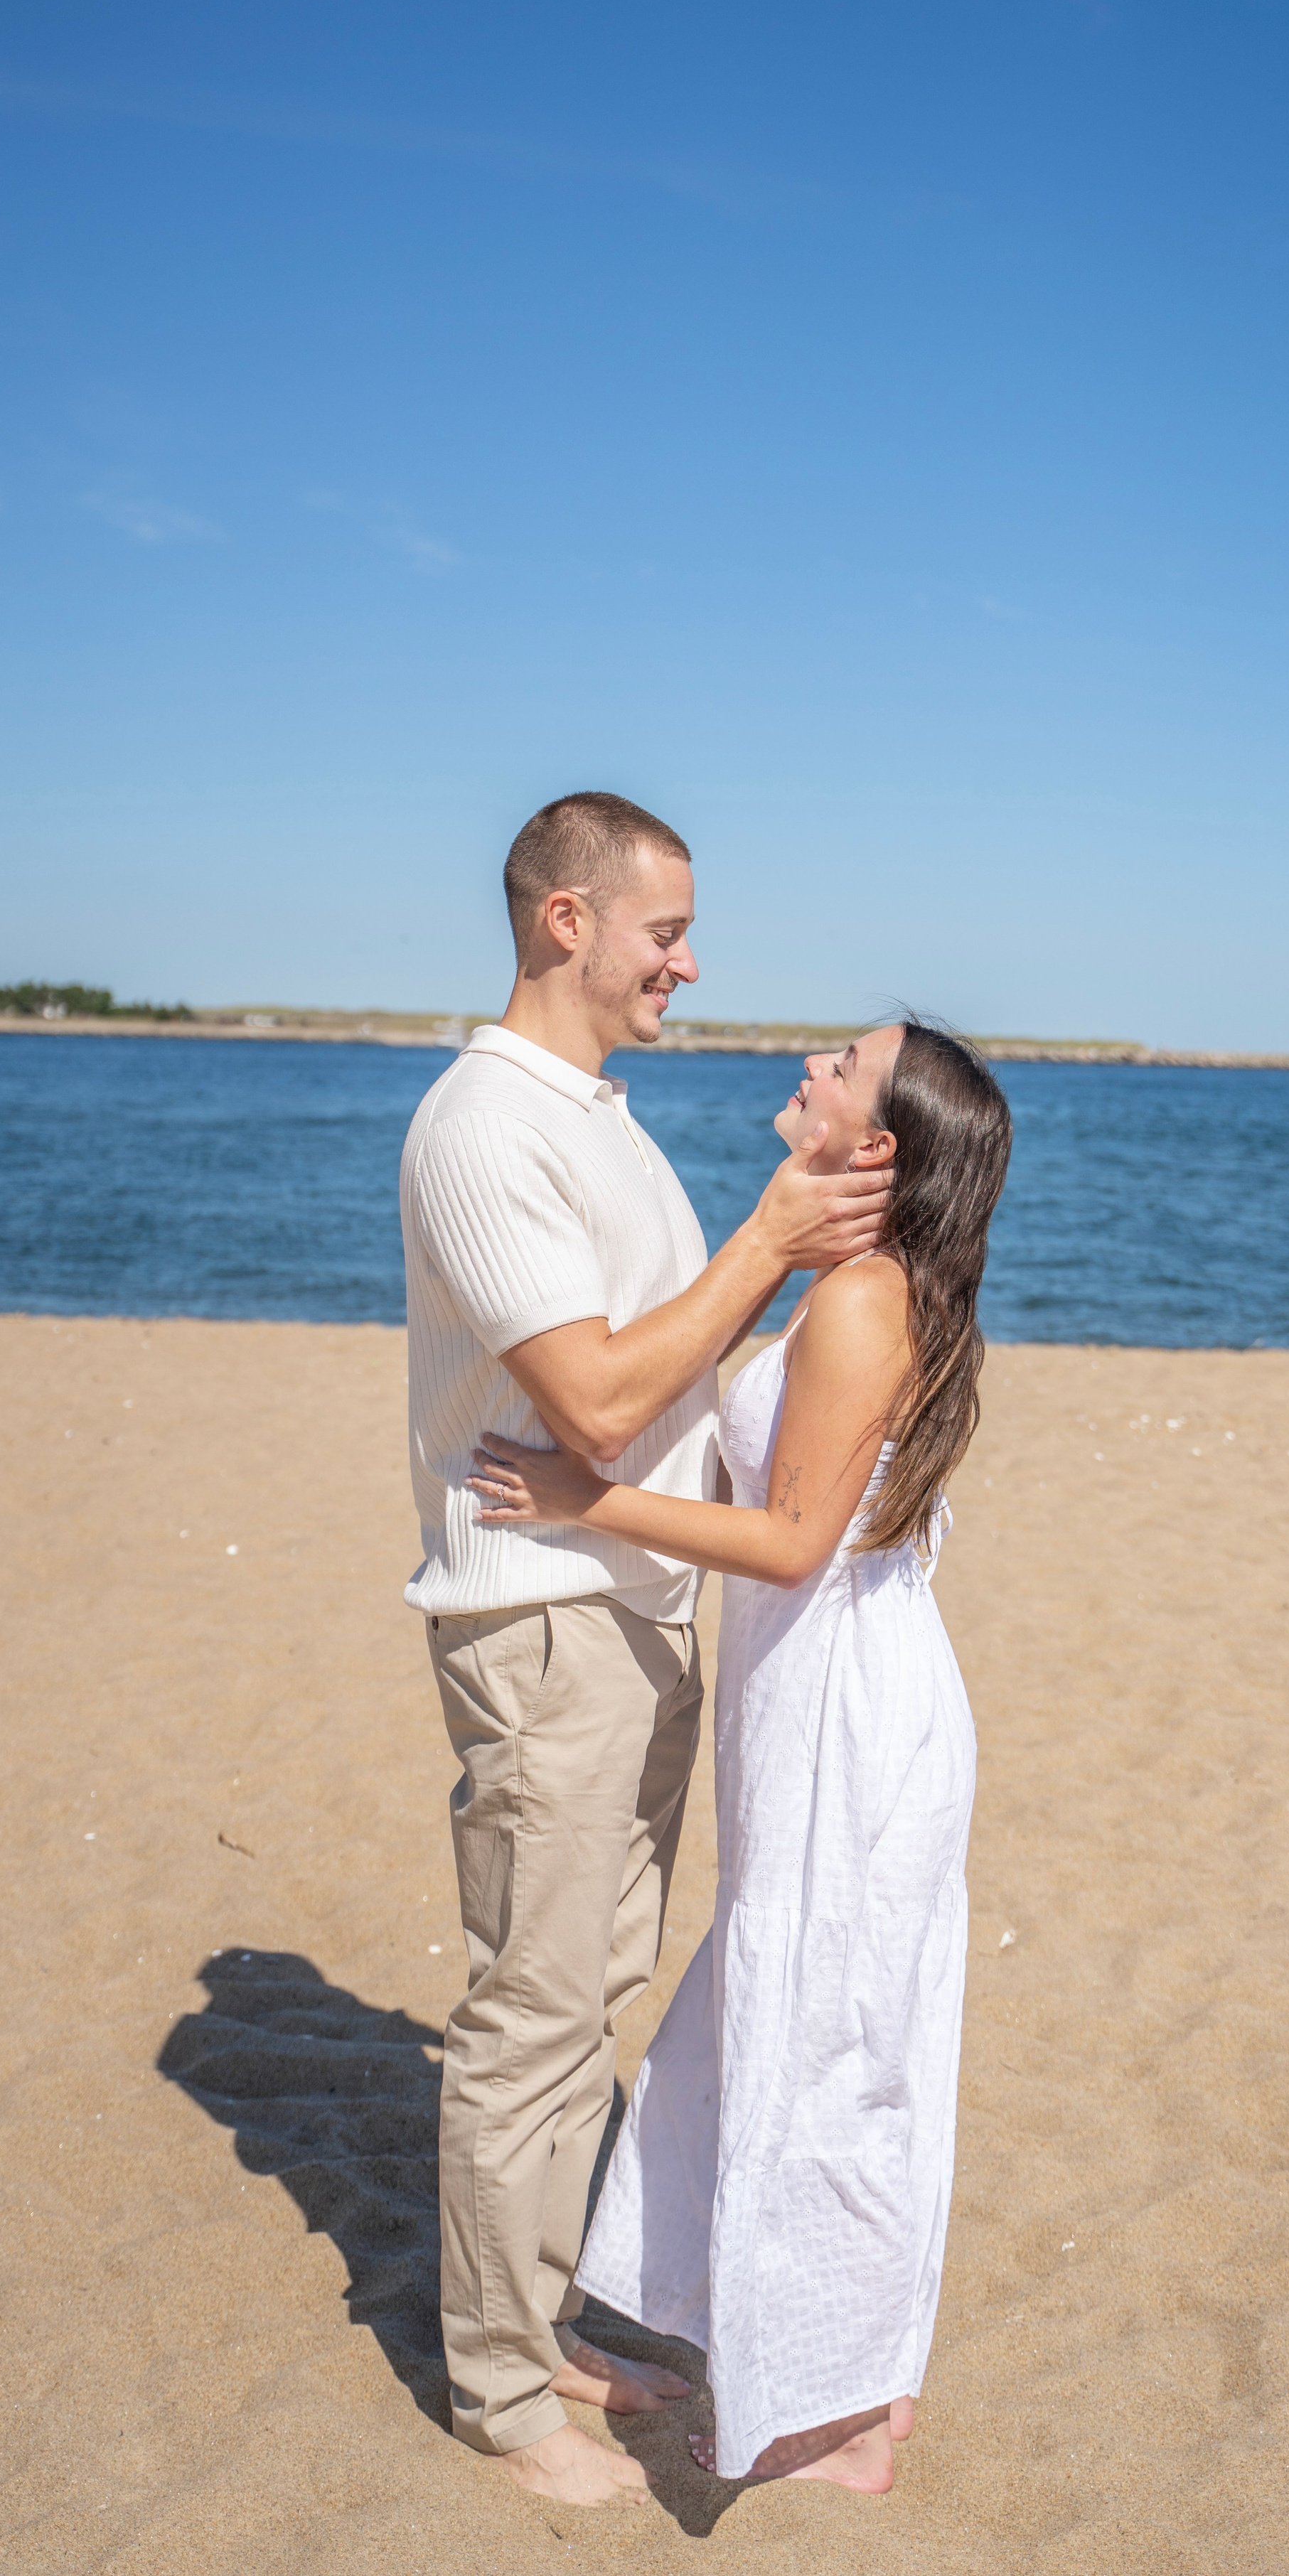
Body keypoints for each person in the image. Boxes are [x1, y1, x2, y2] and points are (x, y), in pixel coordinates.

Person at [400, 791, 893, 2510]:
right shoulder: (482, 1128)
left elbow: (659, 1379)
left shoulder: (597, 1119)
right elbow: (599, 1398)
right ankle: (496, 2384)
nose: (688, 960)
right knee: (531, 2009)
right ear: (567, 924)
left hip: (628, 1610)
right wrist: (771, 1235)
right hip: (538, 1620)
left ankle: (539, 2323)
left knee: (584, 1991)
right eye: (664, 929)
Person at [469, 1019, 1013, 2492]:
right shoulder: (854, 1283)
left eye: (838, 1061)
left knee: (830, 2048)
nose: (807, 1063)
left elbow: (784, 1542)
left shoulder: (861, 1304)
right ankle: (856, 2379)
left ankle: (839, 2423)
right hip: (826, 1694)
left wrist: (586, 1497)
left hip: (849, 1708)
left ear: (879, 1140)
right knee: (819, 2027)